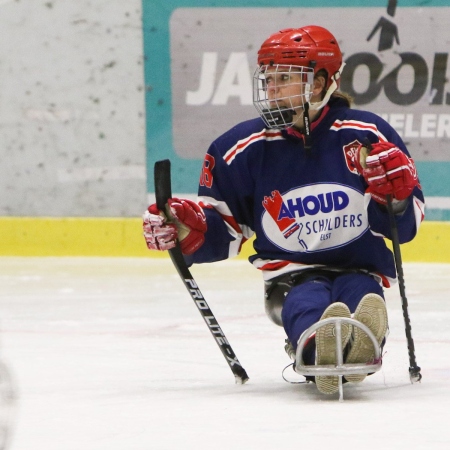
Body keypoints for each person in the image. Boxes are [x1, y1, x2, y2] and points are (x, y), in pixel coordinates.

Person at [143, 25, 425, 395]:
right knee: (306, 302)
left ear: (322, 82)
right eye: (269, 78)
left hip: (360, 267)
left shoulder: (368, 134)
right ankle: (316, 345)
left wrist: (397, 199)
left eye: (287, 78)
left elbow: (403, 228)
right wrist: (188, 229)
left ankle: (363, 339)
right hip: (290, 277)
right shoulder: (239, 149)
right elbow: (224, 231)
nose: (273, 88)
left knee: (361, 295)